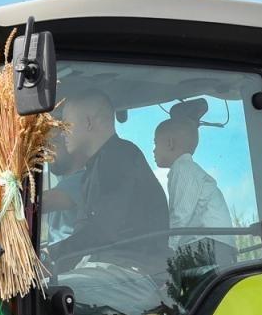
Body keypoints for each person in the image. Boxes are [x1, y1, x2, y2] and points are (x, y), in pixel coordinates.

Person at [43, 90, 169, 275]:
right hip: (114, 267)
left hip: (132, 273)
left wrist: (50, 257)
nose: (63, 134)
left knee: (44, 295)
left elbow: (102, 232)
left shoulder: (119, 160)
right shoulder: (100, 166)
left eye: (66, 125)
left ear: (88, 123)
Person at [152, 115, 234, 269]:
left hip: (208, 245)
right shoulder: (187, 169)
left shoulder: (183, 169)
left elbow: (181, 213)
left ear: (170, 144)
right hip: (217, 245)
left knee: (160, 273)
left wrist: (169, 249)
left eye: (156, 143)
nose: (154, 150)